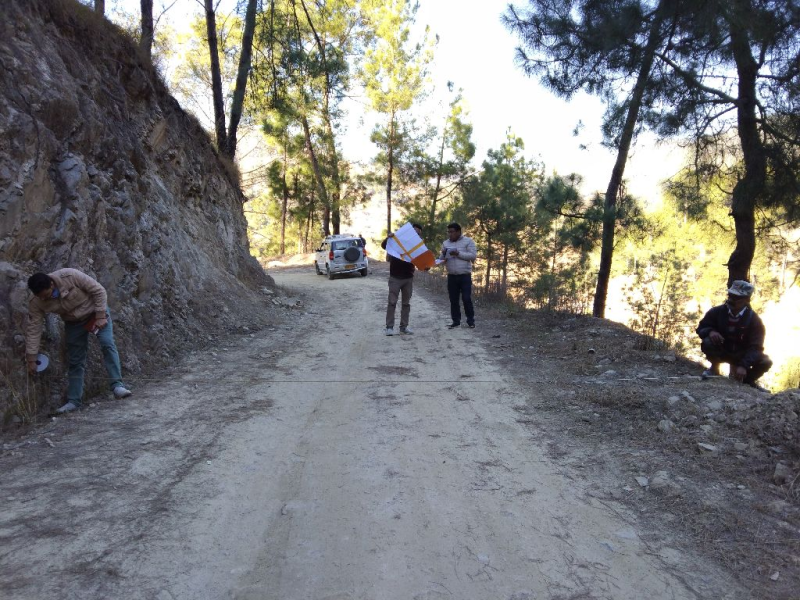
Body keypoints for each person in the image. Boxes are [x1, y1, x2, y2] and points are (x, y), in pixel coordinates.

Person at [25, 268, 132, 413]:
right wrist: (31, 358)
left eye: (46, 295)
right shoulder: (36, 301)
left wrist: (101, 315)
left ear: (51, 284)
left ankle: (117, 386)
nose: (44, 299)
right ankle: (74, 401)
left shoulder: (70, 275)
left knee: (107, 344)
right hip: (73, 323)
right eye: (40, 297)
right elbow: (34, 328)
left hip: (95, 313)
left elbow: (99, 291)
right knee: (75, 360)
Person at [696, 279, 772, 391]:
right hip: (722, 349)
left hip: (741, 354)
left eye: (736, 298)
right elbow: (701, 328)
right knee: (707, 342)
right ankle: (714, 369)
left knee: (766, 362)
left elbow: (756, 347)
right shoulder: (716, 312)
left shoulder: (755, 320)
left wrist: (744, 365)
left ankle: (747, 381)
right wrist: (711, 331)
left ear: (746, 300)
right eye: (730, 296)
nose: (731, 300)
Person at [382, 223, 426, 335]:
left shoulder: (418, 246)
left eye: (418, 233)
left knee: (406, 304)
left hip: (408, 278)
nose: (415, 234)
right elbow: (384, 245)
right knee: (392, 302)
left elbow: (423, 263)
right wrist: (389, 238)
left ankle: (404, 327)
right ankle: (389, 327)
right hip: (395, 277)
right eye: (414, 232)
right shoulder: (398, 240)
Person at [440, 222, 478, 329]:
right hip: (451, 275)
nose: (450, 234)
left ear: (458, 232)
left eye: (452, 232)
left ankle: (470, 321)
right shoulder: (445, 243)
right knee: (453, 300)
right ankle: (456, 321)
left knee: (466, 298)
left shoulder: (468, 241)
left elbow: (473, 256)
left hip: (464, 275)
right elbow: (441, 259)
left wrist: (458, 254)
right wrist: (443, 254)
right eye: (448, 232)